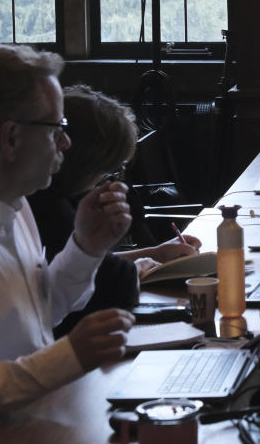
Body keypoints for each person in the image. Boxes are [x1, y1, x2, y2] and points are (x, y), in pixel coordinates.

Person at [0, 45, 134, 436]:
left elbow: (37, 315)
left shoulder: (11, 203)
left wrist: (86, 248)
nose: (66, 144)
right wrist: (65, 357)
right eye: (57, 128)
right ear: (11, 139)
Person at [28, 85, 201, 335]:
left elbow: (83, 264)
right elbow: (106, 283)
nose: (107, 180)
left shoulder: (63, 197)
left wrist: (157, 252)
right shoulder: (48, 204)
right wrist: (137, 268)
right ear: (87, 161)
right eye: (108, 170)